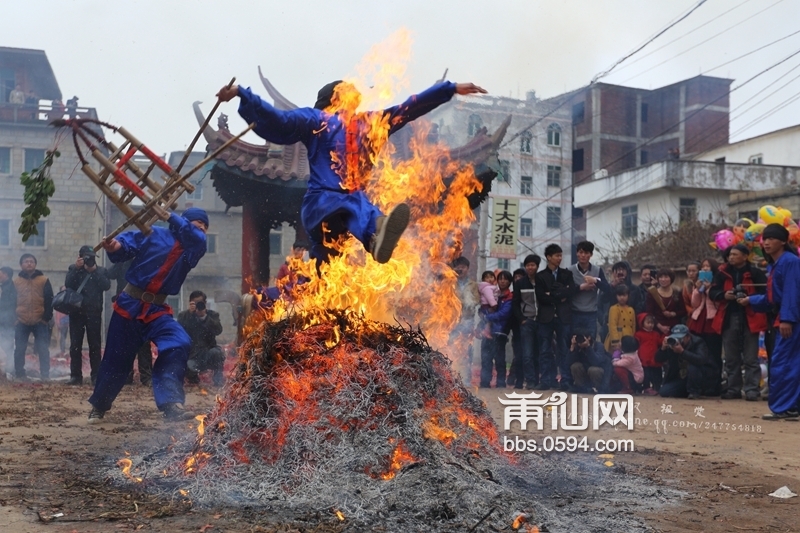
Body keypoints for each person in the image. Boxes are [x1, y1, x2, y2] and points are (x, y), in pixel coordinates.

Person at [216, 79, 487, 267]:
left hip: (324, 208)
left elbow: (277, 119)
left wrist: (243, 94)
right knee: (358, 207)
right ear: (335, 98)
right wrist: (448, 89)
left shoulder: (361, 122)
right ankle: (375, 233)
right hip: (330, 202)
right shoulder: (320, 120)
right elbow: (409, 107)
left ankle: (373, 238)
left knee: (328, 259)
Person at [87, 208, 208, 423]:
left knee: (178, 342)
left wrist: (170, 215)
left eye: (205, 227)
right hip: (129, 304)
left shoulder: (194, 248)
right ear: (186, 221)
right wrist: (115, 247)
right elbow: (125, 246)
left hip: (157, 310)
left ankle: (171, 403)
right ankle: (99, 405)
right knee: (116, 359)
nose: (202, 229)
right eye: (198, 223)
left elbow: (195, 236)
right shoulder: (154, 233)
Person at [738, 224, 800, 420]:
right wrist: (751, 300)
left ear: (783, 241)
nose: (766, 242)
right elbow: (772, 298)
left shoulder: (790, 261)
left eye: (772, 238)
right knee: (788, 363)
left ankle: (785, 407)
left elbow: (792, 293)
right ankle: (791, 406)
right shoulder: (775, 264)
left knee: (783, 363)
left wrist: (787, 319)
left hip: (790, 321)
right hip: (782, 318)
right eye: (765, 238)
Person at [709, 245, 766, 401]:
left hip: (751, 316)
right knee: (731, 357)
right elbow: (712, 292)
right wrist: (724, 295)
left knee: (750, 357)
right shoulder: (722, 273)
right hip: (728, 316)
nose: (731, 257)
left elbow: (766, 292)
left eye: (735, 254)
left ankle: (752, 390)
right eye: (730, 255)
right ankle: (733, 388)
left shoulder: (755, 273)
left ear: (745, 256)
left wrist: (750, 299)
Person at [64, 245, 111, 386]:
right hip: (76, 312)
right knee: (75, 345)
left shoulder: (101, 270)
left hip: (94, 313)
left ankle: (96, 375)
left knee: (95, 345)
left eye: (91, 258)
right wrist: (78, 269)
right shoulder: (73, 269)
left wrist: (94, 272)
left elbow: (106, 286)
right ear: (80, 257)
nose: (89, 260)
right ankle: (75, 376)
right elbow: (68, 284)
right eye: (86, 257)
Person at [535, 244, 577, 390]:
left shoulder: (566, 274)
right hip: (545, 318)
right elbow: (541, 297)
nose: (559, 258)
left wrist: (552, 294)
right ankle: (546, 380)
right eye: (557, 255)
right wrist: (560, 295)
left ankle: (565, 380)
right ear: (549, 257)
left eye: (560, 255)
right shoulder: (540, 276)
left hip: (563, 317)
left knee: (564, 349)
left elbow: (571, 291)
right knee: (545, 350)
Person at [13, 254, 53, 381]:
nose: (29, 263)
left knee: (42, 348)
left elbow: (49, 300)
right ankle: (19, 374)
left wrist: (46, 318)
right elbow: (11, 301)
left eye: (31, 261)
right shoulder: (16, 282)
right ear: (21, 265)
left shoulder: (44, 280)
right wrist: (14, 319)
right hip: (21, 320)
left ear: (35, 264)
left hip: (39, 320)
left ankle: (45, 374)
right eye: (26, 261)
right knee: (19, 348)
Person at [655, 324, 718, 399]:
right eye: (676, 337)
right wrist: (663, 349)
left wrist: (682, 352)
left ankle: (694, 392)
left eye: (680, 338)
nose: (678, 340)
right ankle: (687, 391)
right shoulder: (672, 344)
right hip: (683, 378)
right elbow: (658, 359)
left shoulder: (698, 342)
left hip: (701, 377)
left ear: (688, 336)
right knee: (664, 392)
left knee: (693, 367)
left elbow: (701, 359)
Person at [178, 290, 225, 387]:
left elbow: (218, 330)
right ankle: (193, 379)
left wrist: (204, 317)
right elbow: (179, 332)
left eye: (201, 303)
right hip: (192, 354)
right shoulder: (184, 316)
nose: (198, 306)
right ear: (190, 303)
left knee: (217, 352)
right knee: (187, 366)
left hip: (208, 351)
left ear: (205, 303)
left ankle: (218, 380)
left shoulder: (212, 315)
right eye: (195, 303)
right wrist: (191, 315)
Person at [687, 258, 722, 382]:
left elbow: (718, 304)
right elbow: (695, 304)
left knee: (713, 353)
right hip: (698, 319)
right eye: (703, 266)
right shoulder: (698, 283)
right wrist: (697, 290)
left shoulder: (718, 283)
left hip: (711, 320)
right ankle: (699, 382)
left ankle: (714, 383)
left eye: (708, 266)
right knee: (698, 351)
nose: (705, 268)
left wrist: (708, 289)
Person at [569, 241, 610, 343]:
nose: (583, 255)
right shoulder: (569, 270)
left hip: (591, 313)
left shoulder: (597, 270)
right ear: (577, 253)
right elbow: (565, 292)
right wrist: (581, 287)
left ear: (591, 255)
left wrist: (595, 281)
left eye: (586, 253)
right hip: (574, 312)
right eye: (581, 252)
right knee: (574, 342)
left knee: (590, 342)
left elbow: (607, 288)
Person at [479, 270, 513, 388]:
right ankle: (485, 382)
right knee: (486, 358)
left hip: (500, 331)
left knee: (499, 359)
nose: (502, 281)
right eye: (500, 279)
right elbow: (483, 308)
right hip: (487, 331)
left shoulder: (509, 297)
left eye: (505, 279)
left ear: (509, 281)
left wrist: (487, 317)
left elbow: (503, 314)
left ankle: (500, 383)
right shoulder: (493, 293)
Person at [512, 255, 540, 389]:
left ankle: (541, 380)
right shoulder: (520, 283)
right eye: (528, 265)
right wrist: (522, 319)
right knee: (527, 354)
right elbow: (515, 304)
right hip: (527, 322)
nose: (530, 267)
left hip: (542, 321)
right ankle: (530, 381)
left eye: (533, 265)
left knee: (540, 353)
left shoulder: (543, 281)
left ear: (537, 266)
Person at [451, 256, 479, 384]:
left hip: (468, 320)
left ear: (467, 268)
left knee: (467, 350)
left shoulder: (473, 284)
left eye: (463, 267)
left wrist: (467, 302)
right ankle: (452, 378)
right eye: (458, 266)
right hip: (452, 321)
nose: (460, 269)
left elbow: (477, 300)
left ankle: (466, 379)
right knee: (451, 349)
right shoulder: (450, 282)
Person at [567, 329, 612, 393]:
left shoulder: (598, 346)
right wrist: (572, 347)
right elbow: (568, 363)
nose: (580, 340)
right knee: (575, 366)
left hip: (600, 372)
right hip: (585, 372)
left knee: (593, 370)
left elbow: (596, 362)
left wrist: (588, 347)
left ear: (589, 338)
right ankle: (581, 388)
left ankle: (597, 389)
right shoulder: (577, 346)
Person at [646, 268, 686, 335]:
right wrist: (660, 326)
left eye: (666, 277)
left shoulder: (677, 292)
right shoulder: (652, 293)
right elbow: (649, 313)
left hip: (674, 328)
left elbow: (683, 311)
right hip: (657, 328)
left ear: (671, 279)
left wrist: (672, 314)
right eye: (661, 277)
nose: (663, 279)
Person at [605, 284, 635, 352]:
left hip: (629, 337)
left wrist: (632, 339)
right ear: (616, 296)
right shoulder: (614, 308)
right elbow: (612, 325)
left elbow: (633, 325)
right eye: (619, 295)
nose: (622, 298)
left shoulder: (631, 309)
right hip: (618, 337)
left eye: (624, 295)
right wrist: (615, 341)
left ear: (628, 296)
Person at [0, 267, 16, 380]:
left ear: (6, 274)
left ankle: (9, 370)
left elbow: (12, 304)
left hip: (7, 321)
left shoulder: (11, 287)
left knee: (8, 346)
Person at [477, 270, 498, 339]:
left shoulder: (489, 287)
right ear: (483, 280)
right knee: (488, 321)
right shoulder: (487, 288)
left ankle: (479, 330)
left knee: (486, 320)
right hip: (488, 306)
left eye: (491, 277)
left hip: (486, 306)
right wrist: (494, 306)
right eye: (487, 278)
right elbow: (490, 298)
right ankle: (485, 332)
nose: (490, 279)